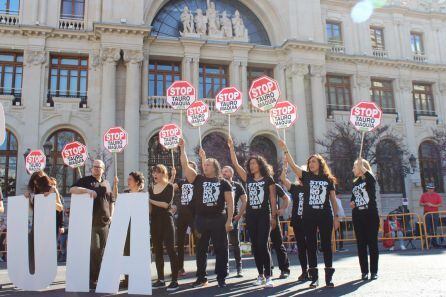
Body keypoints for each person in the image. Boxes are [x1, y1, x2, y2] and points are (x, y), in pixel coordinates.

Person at [278, 139, 339, 288]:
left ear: (320, 163)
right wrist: (286, 149)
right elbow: (293, 165)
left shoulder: (328, 179)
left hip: (325, 215)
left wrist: (337, 217)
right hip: (309, 216)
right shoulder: (306, 176)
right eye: (309, 162)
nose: (311, 164)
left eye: (314, 162)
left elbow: (333, 199)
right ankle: (314, 278)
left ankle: (329, 278)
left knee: (326, 245)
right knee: (311, 246)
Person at [179, 139, 234, 288]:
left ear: (215, 167)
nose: (205, 166)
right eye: (204, 164)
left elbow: (230, 202)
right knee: (201, 250)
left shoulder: (224, 183)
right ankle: (201, 277)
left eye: (208, 164)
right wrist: (182, 148)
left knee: (221, 249)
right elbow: (185, 165)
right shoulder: (197, 179)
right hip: (201, 220)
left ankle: (221, 277)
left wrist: (229, 220)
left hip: (219, 219)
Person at [228, 136, 277, 288]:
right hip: (251, 215)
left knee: (263, 244)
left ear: (260, 164)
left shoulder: (268, 179)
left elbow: (273, 199)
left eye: (254, 163)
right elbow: (235, 165)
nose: (251, 166)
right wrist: (231, 147)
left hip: (264, 214)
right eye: (250, 164)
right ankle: (260, 275)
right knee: (255, 246)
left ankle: (268, 276)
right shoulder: (247, 178)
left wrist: (274, 216)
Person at [70, 160, 116, 290]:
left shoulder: (107, 183)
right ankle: (93, 278)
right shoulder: (86, 180)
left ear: (103, 169)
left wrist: (112, 215)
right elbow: (72, 189)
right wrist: (87, 191)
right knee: (95, 249)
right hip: (91, 222)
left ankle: (102, 276)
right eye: (94, 167)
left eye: (98, 167)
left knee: (103, 251)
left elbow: (111, 200)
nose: (95, 169)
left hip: (105, 223)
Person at [149, 165, 179, 291]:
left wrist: (149, 200)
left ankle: (174, 281)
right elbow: (150, 209)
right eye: (154, 173)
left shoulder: (170, 186)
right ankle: (161, 279)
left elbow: (165, 204)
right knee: (157, 251)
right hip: (155, 222)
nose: (155, 175)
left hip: (166, 221)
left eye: (158, 173)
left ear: (164, 174)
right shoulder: (151, 188)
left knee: (171, 250)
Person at [350, 158, 380, 280]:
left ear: (362, 167)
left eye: (354, 167)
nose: (352, 169)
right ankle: (364, 271)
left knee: (372, 243)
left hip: (371, 214)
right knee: (361, 245)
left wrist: (361, 165)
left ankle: (374, 271)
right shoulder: (355, 183)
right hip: (358, 216)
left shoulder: (369, 179)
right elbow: (354, 198)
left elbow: (370, 177)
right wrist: (352, 202)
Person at [280, 161, 309, 282]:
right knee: (301, 247)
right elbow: (282, 179)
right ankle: (304, 271)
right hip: (297, 221)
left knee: (311, 247)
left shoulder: (311, 187)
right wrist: (285, 167)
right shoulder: (295, 187)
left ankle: (312, 271)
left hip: (310, 220)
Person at [170, 162, 198, 277]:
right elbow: (168, 189)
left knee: (199, 241)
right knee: (180, 243)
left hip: (194, 216)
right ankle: (180, 268)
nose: (187, 170)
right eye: (186, 168)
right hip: (182, 215)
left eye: (189, 167)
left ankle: (201, 268)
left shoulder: (198, 181)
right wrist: (172, 176)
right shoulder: (181, 182)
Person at [120, 171, 145, 288]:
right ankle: (127, 277)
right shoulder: (125, 193)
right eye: (128, 179)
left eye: (130, 179)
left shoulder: (143, 194)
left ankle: (138, 276)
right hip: (126, 226)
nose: (128, 181)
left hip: (139, 227)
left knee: (137, 251)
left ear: (137, 182)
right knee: (126, 252)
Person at [222, 165, 247, 277]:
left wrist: (240, 215)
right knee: (223, 243)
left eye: (226, 171)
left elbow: (245, 200)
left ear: (231, 173)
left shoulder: (237, 185)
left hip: (234, 217)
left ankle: (239, 267)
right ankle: (225, 268)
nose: (224, 173)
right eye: (223, 172)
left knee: (235, 243)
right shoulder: (220, 184)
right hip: (221, 217)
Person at [270, 183, 291, 279]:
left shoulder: (274, 185)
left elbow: (286, 198)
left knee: (278, 244)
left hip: (273, 218)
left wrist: (282, 209)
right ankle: (267, 269)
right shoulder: (253, 183)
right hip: (259, 218)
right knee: (262, 245)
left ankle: (284, 269)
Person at [419, 183, 443, 248]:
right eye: (429, 188)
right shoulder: (423, 195)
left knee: (434, 228)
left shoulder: (437, 195)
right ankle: (427, 243)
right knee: (427, 228)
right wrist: (425, 204)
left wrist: (433, 205)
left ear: (433, 188)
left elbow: (440, 204)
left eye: (432, 188)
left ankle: (434, 243)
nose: (431, 190)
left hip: (435, 213)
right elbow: (420, 204)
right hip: (427, 213)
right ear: (427, 189)